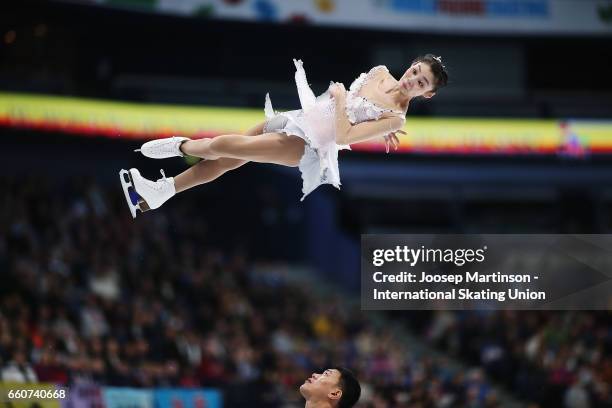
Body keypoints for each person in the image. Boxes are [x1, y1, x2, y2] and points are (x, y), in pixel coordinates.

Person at [119, 55, 448, 218]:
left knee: (228, 145)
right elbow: (352, 113)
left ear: (427, 94)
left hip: (306, 145)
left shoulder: (394, 118)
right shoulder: (379, 72)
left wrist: (343, 100)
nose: (412, 79)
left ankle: (181, 146)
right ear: (413, 63)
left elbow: (344, 132)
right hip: (299, 117)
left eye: (421, 83)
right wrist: (344, 104)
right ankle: (159, 192)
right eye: (416, 71)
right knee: (229, 161)